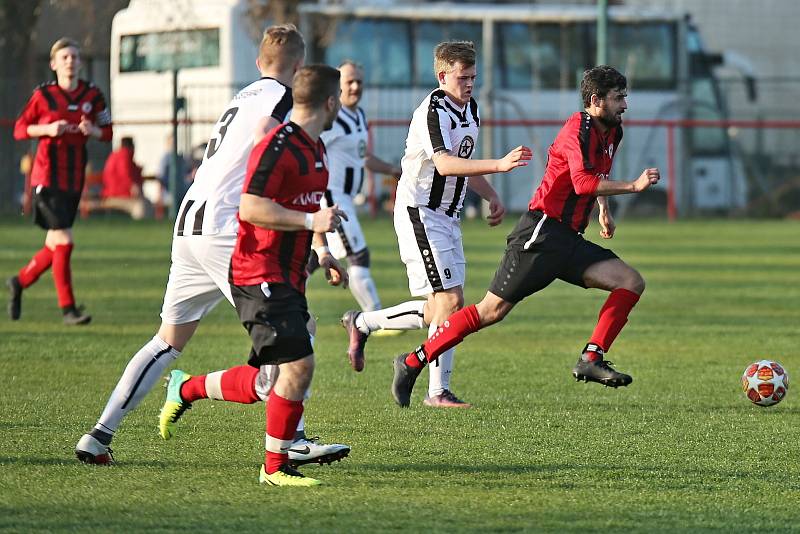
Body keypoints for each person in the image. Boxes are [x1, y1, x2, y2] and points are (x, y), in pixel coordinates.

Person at [76, 25, 348, 469]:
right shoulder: (282, 100)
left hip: (189, 224)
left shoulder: (242, 95)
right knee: (299, 329)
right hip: (226, 228)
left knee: (167, 341)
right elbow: (271, 142)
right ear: (298, 68)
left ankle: (100, 433)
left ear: (260, 62)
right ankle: (291, 440)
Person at [391, 65, 661, 407]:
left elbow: (597, 175)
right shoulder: (578, 128)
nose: (625, 105)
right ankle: (412, 361)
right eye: (618, 98)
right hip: (542, 233)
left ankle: (591, 358)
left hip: (569, 239)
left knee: (630, 281)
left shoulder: (612, 131)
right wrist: (633, 186)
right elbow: (581, 183)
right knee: (491, 311)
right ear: (596, 100)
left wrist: (603, 209)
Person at [158, 64, 346, 487]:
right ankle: (278, 465)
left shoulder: (316, 147)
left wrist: (323, 249)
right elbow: (251, 208)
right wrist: (311, 221)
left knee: (273, 377)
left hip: (289, 271)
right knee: (298, 364)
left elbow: (310, 207)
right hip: (258, 267)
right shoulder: (276, 146)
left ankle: (187, 389)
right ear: (330, 102)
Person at [340, 41, 532, 407]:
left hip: (447, 215)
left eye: (474, 76)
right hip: (420, 213)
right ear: (442, 75)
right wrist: (500, 164)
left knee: (439, 308)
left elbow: (464, 163)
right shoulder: (433, 109)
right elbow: (444, 164)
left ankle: (363, 323)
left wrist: (490, 194)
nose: (470, 83)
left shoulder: (471, 109)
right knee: (451, 300)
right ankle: (436, 392)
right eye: (463, 77)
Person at [7, 37, 112, 325]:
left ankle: (19, 282)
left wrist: (93, 131)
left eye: (75, 56)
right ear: (54, 64)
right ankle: (68, 310)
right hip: (46, 177)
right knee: (64, 240)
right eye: (65, 57)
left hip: (73, 178)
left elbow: (108, 131)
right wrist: (47, 128)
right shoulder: (43, 96)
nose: (71, 61)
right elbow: (19, 129)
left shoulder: (94, 95)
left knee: (55, 244)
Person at [307, 60, 402, 346]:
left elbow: (363, 158)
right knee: (357, 255)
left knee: (314, 257)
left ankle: (283, 294)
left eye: (359, 81)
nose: (355, 86)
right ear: (337, 85)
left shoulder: (358, 115)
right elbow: (310, 146)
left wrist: (393, 170)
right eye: (349, 81)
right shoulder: (330, 118)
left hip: (345, 198)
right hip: (333, 199)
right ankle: (375, 319)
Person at [101, 136, 146, 219]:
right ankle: (140, 229)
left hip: (112, 195)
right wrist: (133, 186)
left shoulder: (116, 156)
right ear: (131, 146)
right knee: (140, 206)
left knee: (145, 203)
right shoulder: (124, 156)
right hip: (117, 196)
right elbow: (125, 175)